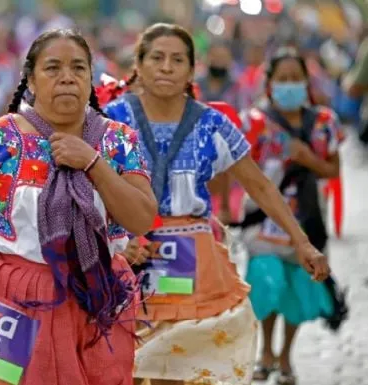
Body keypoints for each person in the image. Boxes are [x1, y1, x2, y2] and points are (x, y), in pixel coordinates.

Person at [0, 28, 158, 385]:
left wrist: (93, 163)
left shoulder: (118, 141)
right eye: (53, 68)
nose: (67, 77)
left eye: (78, 68)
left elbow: (141, 217)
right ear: (31, 81)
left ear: (90, 78)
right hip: (11, 298)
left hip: (95, 297)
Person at [102, 23, 331, 385]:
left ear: (192, 70)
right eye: (157, 58)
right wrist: (116, 239)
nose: (166, 67)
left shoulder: (212, 124)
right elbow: (89, 189)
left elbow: (257, 183)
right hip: (130, 257)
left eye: (177, 59)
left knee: (179, 367)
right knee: (128, 365)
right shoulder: (111, 121)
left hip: (194, 262)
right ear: (139, 65)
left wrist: (301, 241)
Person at [239, 48, 344, 385]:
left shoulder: (324, 121)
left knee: (298, 289)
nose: (289, 85)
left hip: (308, 219)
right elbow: (241, 170)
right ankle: (265, 351)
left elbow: (332, 169)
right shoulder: (253, 122)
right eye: (282, 79)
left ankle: (285, 357)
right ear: (269, 84)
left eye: (295, 78)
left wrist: (306, 158)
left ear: (306, 82)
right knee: (266, 282)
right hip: (263, 222)